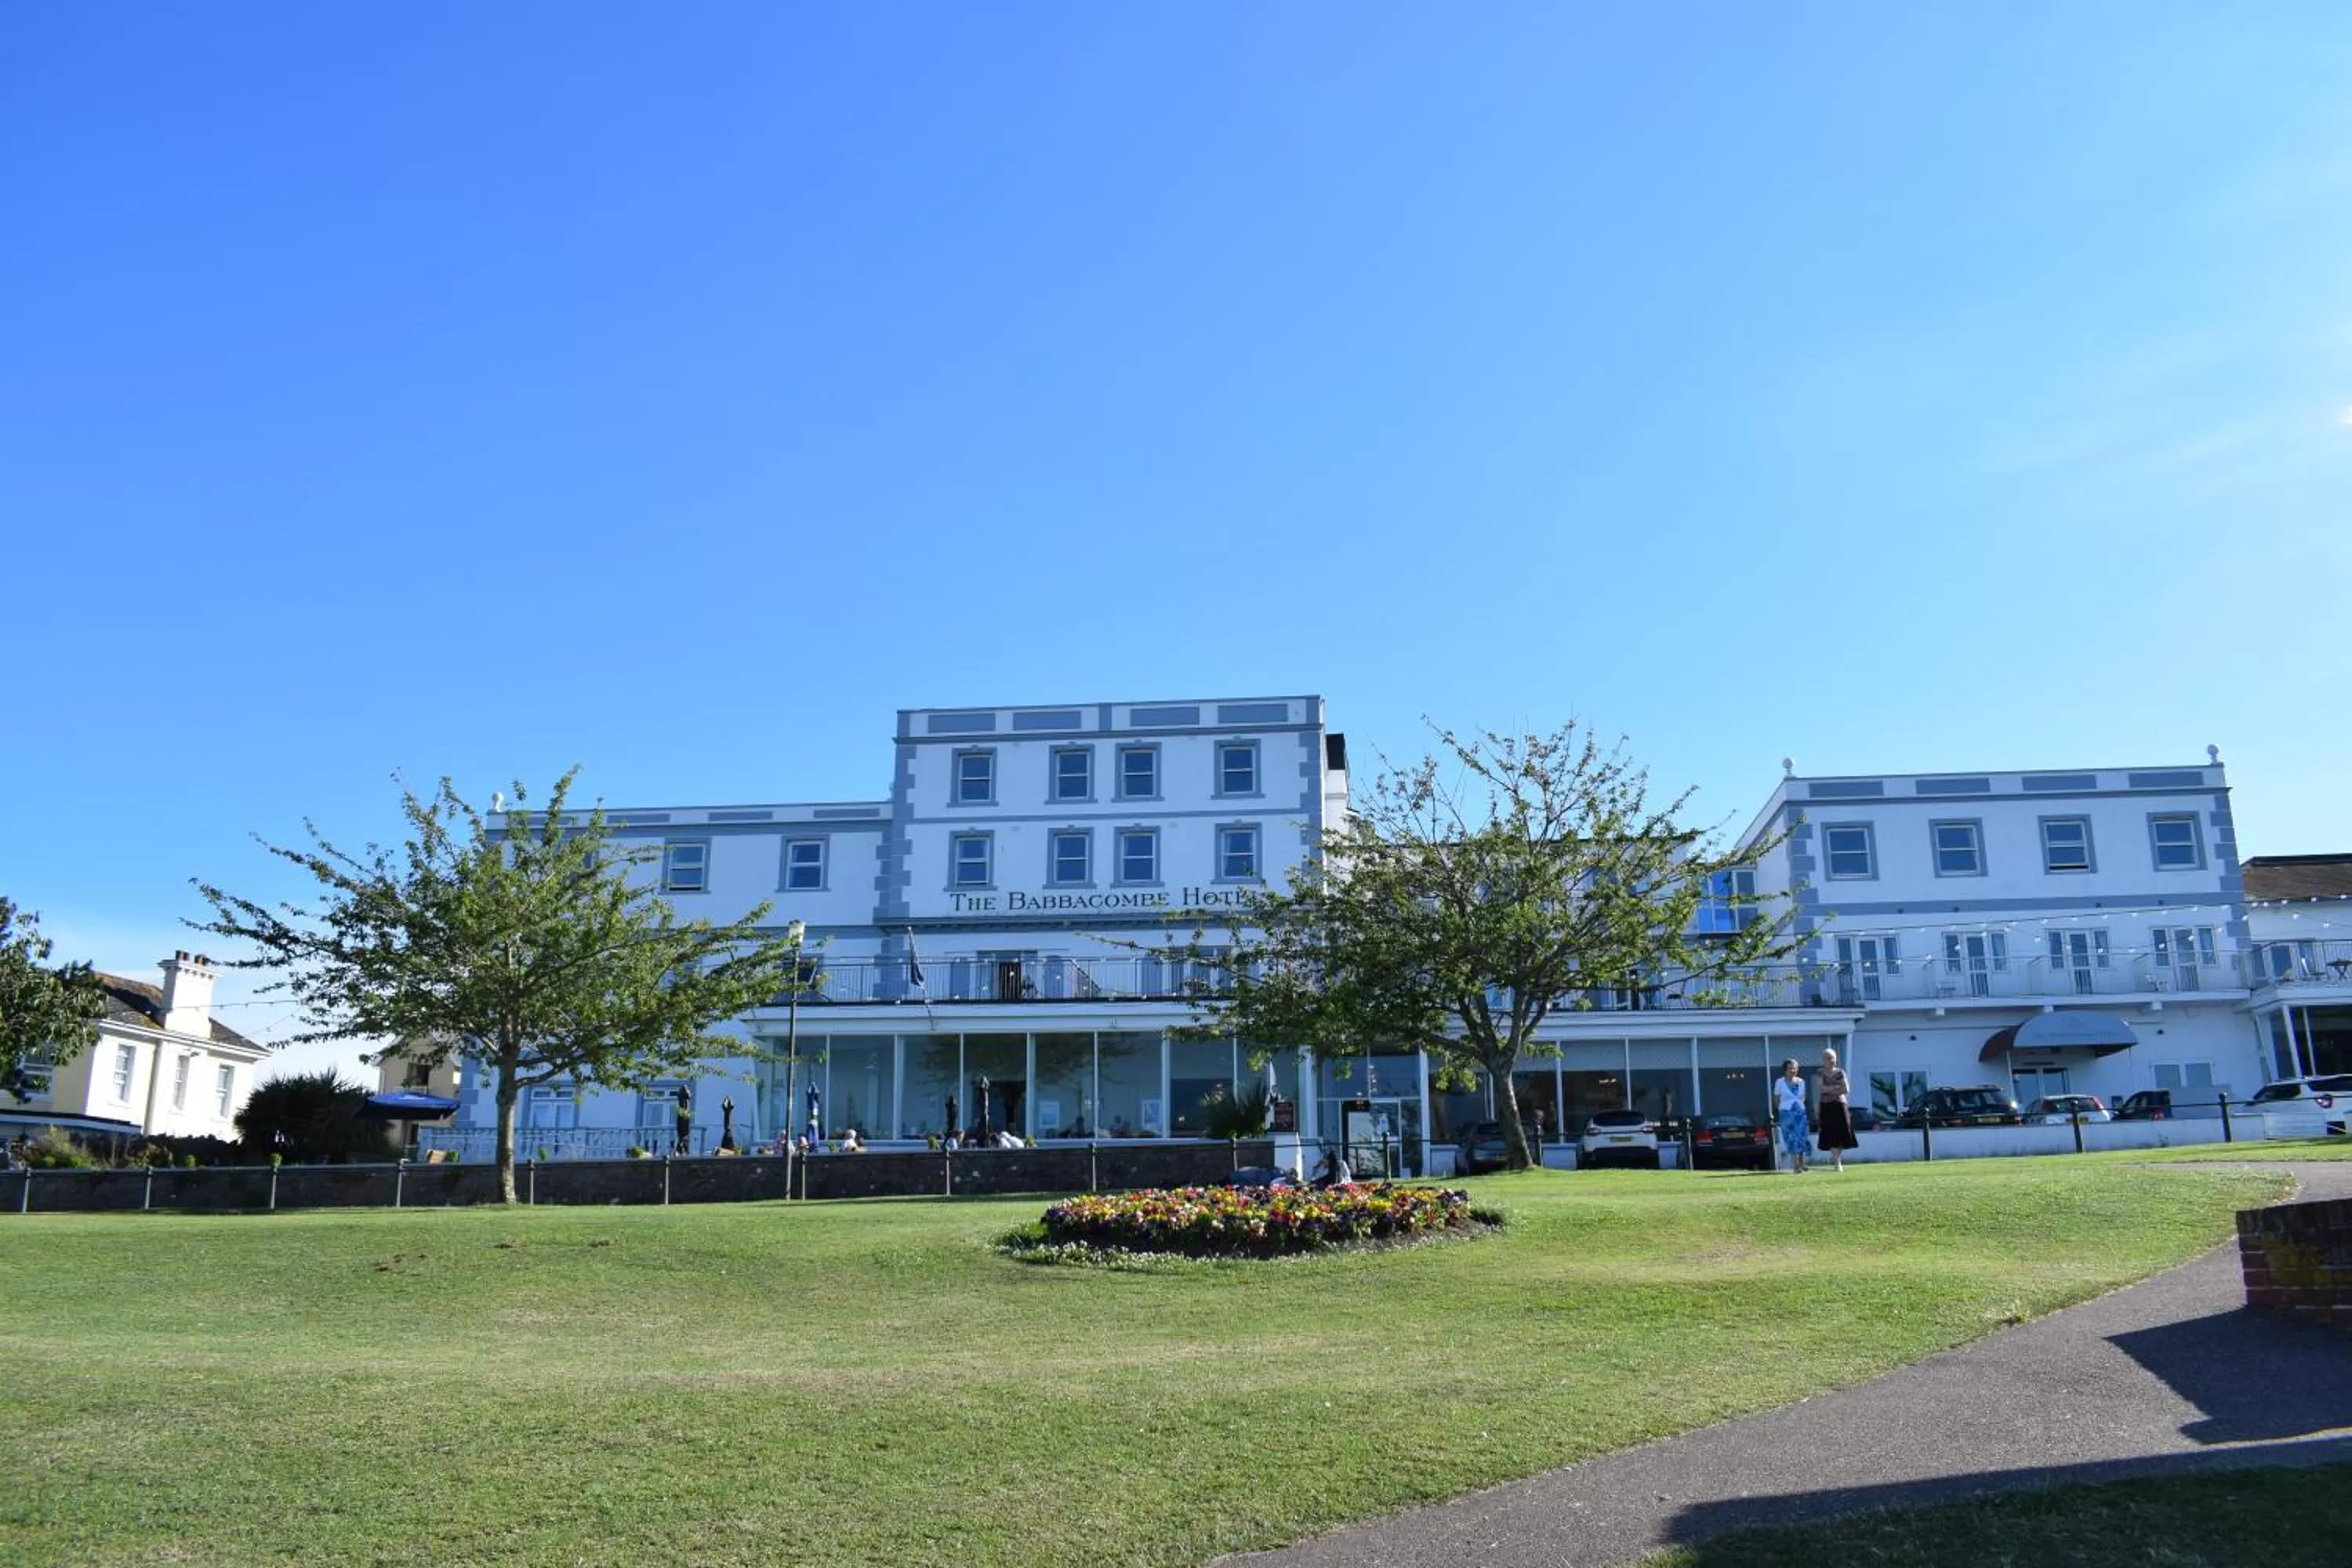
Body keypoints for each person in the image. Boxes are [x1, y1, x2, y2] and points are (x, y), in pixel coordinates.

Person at [1814, 1047, 1857, 1172]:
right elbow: (1821, 1089)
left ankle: (1837, 1157)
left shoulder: (1840, 1072)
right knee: (1830, 1132)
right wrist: (1836, 1087)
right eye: (1828, 1058)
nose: (1831, 1060)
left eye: (1833, 1058)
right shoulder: (1820, 1073)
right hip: (1826, 1106)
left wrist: (1830, 1088)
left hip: (1840, 1105)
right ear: (1823, 1060)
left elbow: (1846, 1089)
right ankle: (1837, 1161)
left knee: (1843, 1131)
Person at [1774, 1058, 1810, 1174]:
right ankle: (1796, 1165)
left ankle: (1802, 1162)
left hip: (1800, 1113)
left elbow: (1803, 1097)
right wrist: (1781, 1108)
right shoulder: (1779, 1082)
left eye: (1795, 1068)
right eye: (1790, 1068)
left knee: (1802, 1137)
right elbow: (1776, 1098)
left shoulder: (1801, 1082)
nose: (1793, 1070)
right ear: (1785, 1070)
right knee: (1791, 1138)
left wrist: (1799, 1106)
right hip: (1786, 1114)